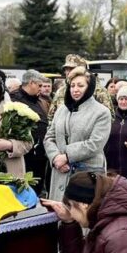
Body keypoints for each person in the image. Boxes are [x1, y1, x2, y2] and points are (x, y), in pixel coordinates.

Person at [44, 67, 111, 203]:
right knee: (60, 215)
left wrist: (67, 156)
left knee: (83, 216)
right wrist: (55, 157)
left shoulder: (101, 112)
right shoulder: (61, 110)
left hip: (86, 174)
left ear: (89, 87)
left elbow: (95, 143)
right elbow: (49, 137)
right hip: (60, 172)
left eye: (80, 85)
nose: (75, 89)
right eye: (72, 85)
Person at [11, 70, 51, 193]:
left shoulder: (40, 101)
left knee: (37, 191)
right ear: (31, 83)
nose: (41, 89)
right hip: (24, 156)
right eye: (39, 85)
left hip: (40, 155)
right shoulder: (14, 100)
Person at [48, 54, 115, 118]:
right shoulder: (61, 91)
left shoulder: (98, 90)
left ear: (82, 71)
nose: (68, 72)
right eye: (66, 69)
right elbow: (51, 116)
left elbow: (109, 116)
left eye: (72, 69)